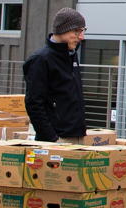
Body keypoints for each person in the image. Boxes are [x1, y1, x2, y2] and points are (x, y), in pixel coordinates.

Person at [24, 8, 88, 141]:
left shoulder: (71, 55)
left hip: (76, 135)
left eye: (83, 31)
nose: (81, 37)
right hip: (57, 139)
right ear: (62, 29)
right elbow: (34, 104)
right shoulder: (41, 59)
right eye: (77, 31)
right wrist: (52, 138)